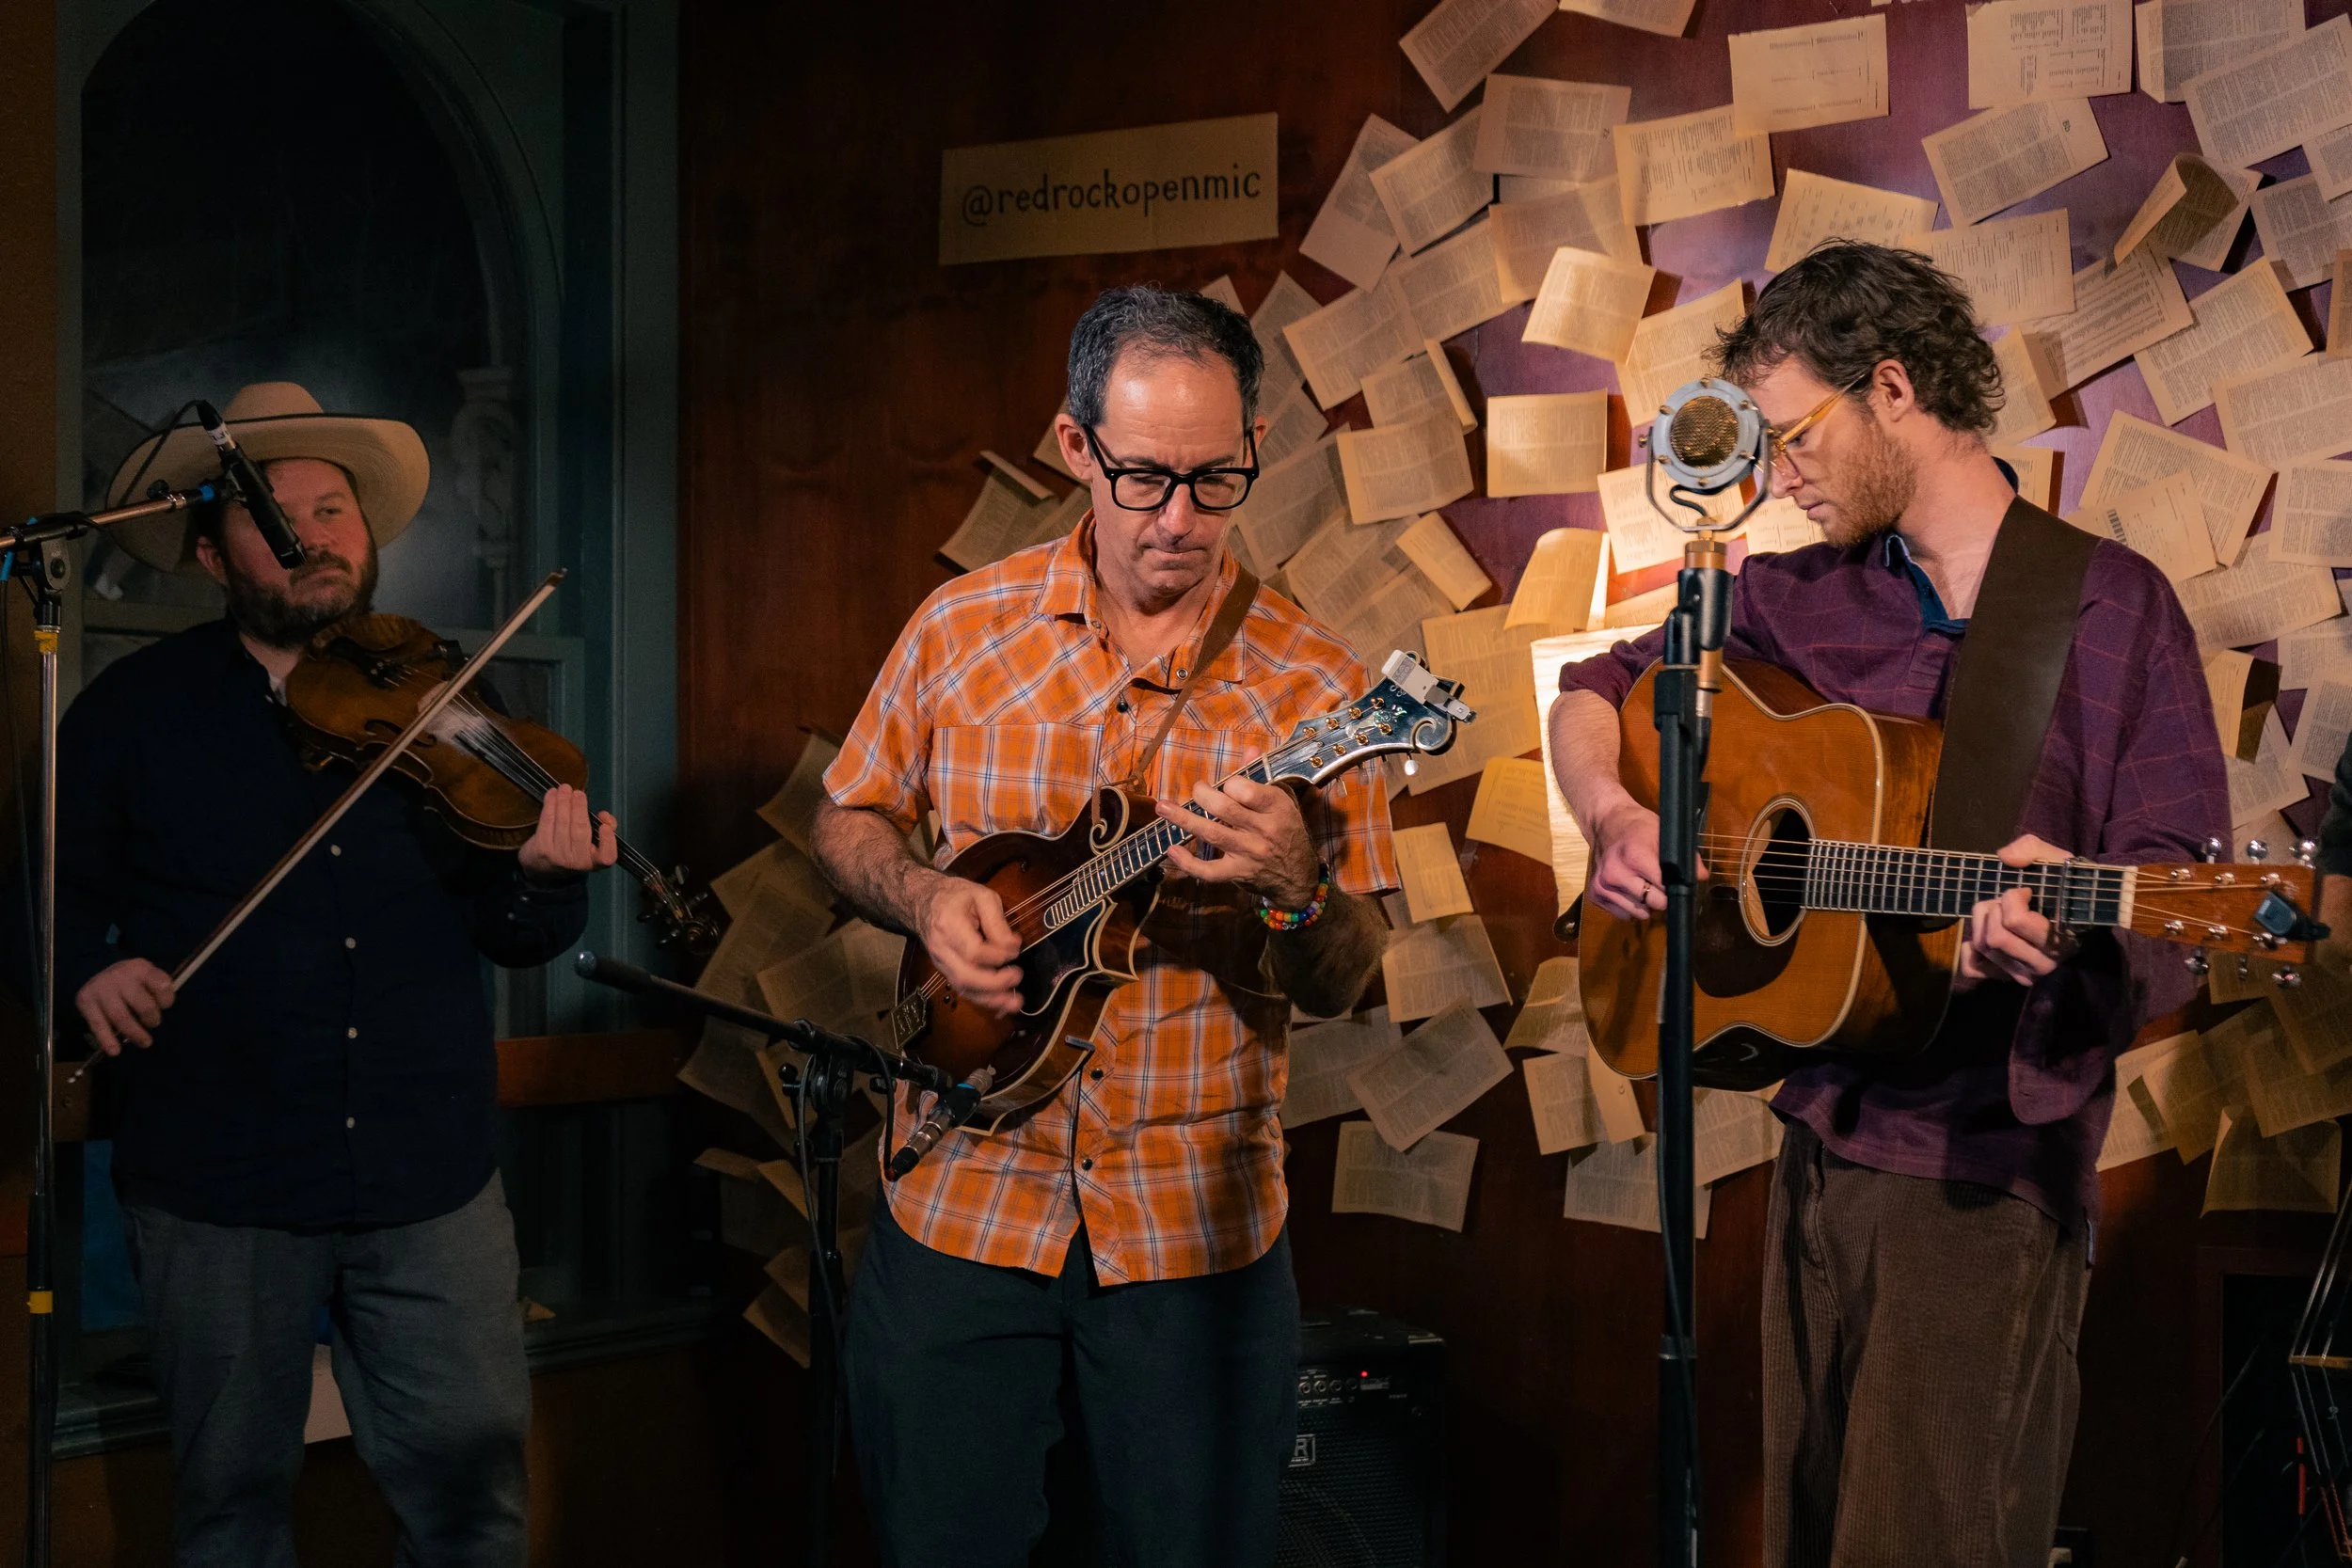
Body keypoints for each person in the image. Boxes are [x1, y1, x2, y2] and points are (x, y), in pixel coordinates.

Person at [1547, 245, 2229, 1567]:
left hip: (1984, 1168)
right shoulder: (1800, 596)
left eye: (1795, 434)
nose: (1777, 474)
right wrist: (1616, 813)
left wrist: (2045, 935)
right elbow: (1596, 686)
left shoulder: (2105, 604)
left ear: (1896, 388)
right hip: (1814, 1137)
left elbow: (2175, 908)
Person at [812, 285, 1398, 1567]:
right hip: (962, 1207)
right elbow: (846, 818)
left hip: (1193, 1234)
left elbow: (1352, 972)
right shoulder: (960, 631)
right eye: (1142, 477)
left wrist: (1295, 879)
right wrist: (923, 895)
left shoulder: (1318, 684)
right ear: (1075, 446)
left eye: (1215, 476)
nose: (1180, 518)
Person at [60, 381, 619, 1568]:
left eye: (334, 509)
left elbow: (512, 930)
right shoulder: (131, 714)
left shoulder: (449, 700)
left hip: (429, 1180)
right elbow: (37, 896)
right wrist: (85, 973)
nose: (313, 533)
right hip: (220, 1185)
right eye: (277, 515)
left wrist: (547, 876)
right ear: (213, 553)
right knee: (228, 1515)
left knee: (474, 1511)